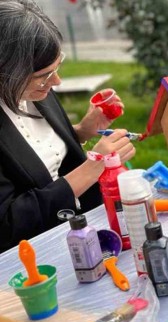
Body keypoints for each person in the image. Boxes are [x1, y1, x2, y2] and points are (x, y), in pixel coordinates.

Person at [0, 0, 135, 253]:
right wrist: (94, 166)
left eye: (57, 67)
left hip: (86, 224)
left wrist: (82, 131)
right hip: (36, 252)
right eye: (43, 76)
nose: (57, 81)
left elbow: (30, 148)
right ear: (6, 72)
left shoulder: (34, 91)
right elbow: (7, 224)